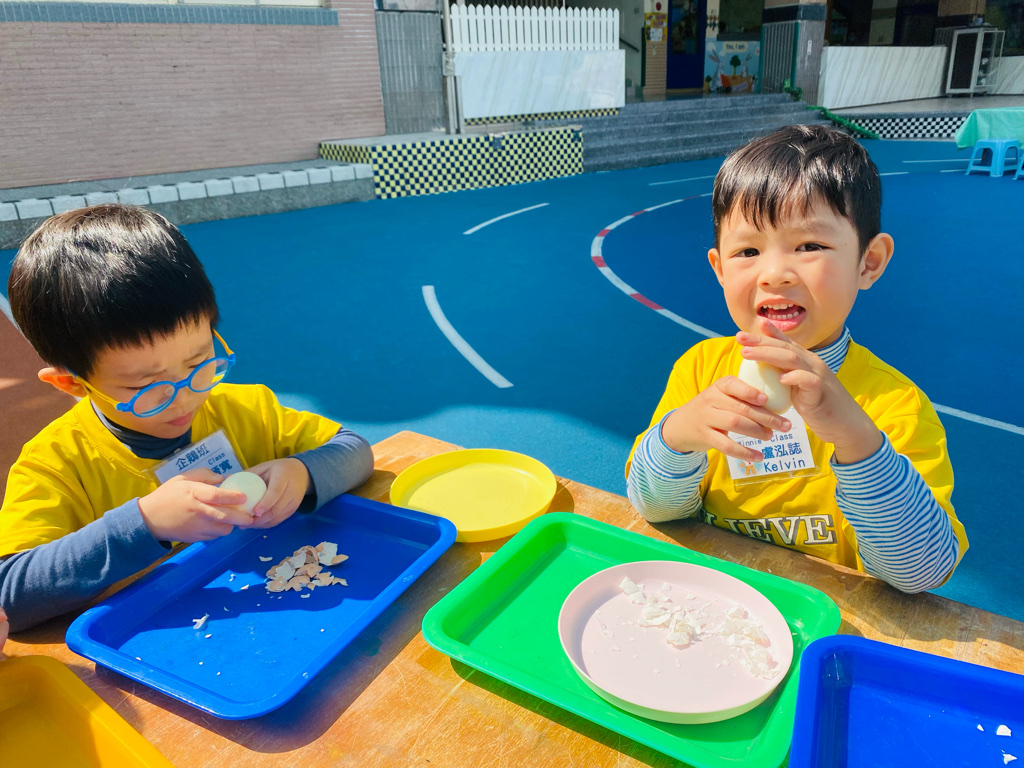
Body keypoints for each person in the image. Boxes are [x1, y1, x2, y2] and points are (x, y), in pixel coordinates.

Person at [626, 125, 968, 593]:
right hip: (713, 603)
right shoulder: (702, 369)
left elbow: (921, 573)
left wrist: (857, 439)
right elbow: (655, 509)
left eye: (810, 246)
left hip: (835, 618)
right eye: (748, 251)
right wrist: (678, 435)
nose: (774, 274)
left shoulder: (895, 405)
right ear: (719, 268)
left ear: (868, 262)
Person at [0, 205, 374, 631]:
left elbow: (354, 450)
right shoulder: (57, 464)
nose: (184, 398)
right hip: (143, 647)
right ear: (72, 383)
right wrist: (146, 524)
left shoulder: (246, 409)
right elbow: (10, 592)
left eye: (199, 362)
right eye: (145, 386)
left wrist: (302, 472)